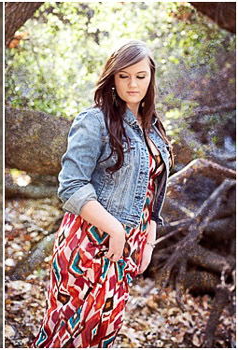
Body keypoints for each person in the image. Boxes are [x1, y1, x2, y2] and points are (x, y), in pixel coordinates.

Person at [33, 40, 173, 347]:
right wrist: (115, 230)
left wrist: (148, 242)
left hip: (128, 243)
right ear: (112, 78)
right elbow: (71, 186)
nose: (132, 84)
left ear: (151, 78)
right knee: (67, 331)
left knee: (103, 330)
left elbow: (153, 190)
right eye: (123, 76)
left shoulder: (154, 128)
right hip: (89, 238)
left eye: (140, 76)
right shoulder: (94, 120)